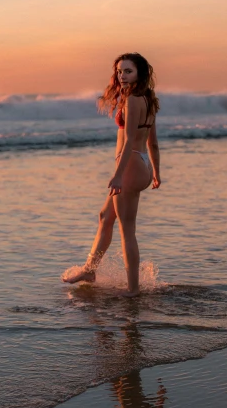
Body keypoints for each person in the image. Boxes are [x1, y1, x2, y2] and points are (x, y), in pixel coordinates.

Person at [62, 52, 161, 297]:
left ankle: (133, 290)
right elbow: (153, 143)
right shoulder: (149, 99)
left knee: (127, 230)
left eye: (128, 71)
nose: (122, 75)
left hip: (129, 166)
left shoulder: (133, 101)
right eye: (119, 71)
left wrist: (117, 175)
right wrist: (155, 172)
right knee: (106, 216)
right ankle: (89, 269)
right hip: (141, 165)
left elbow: (128, 141)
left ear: (140, 73)